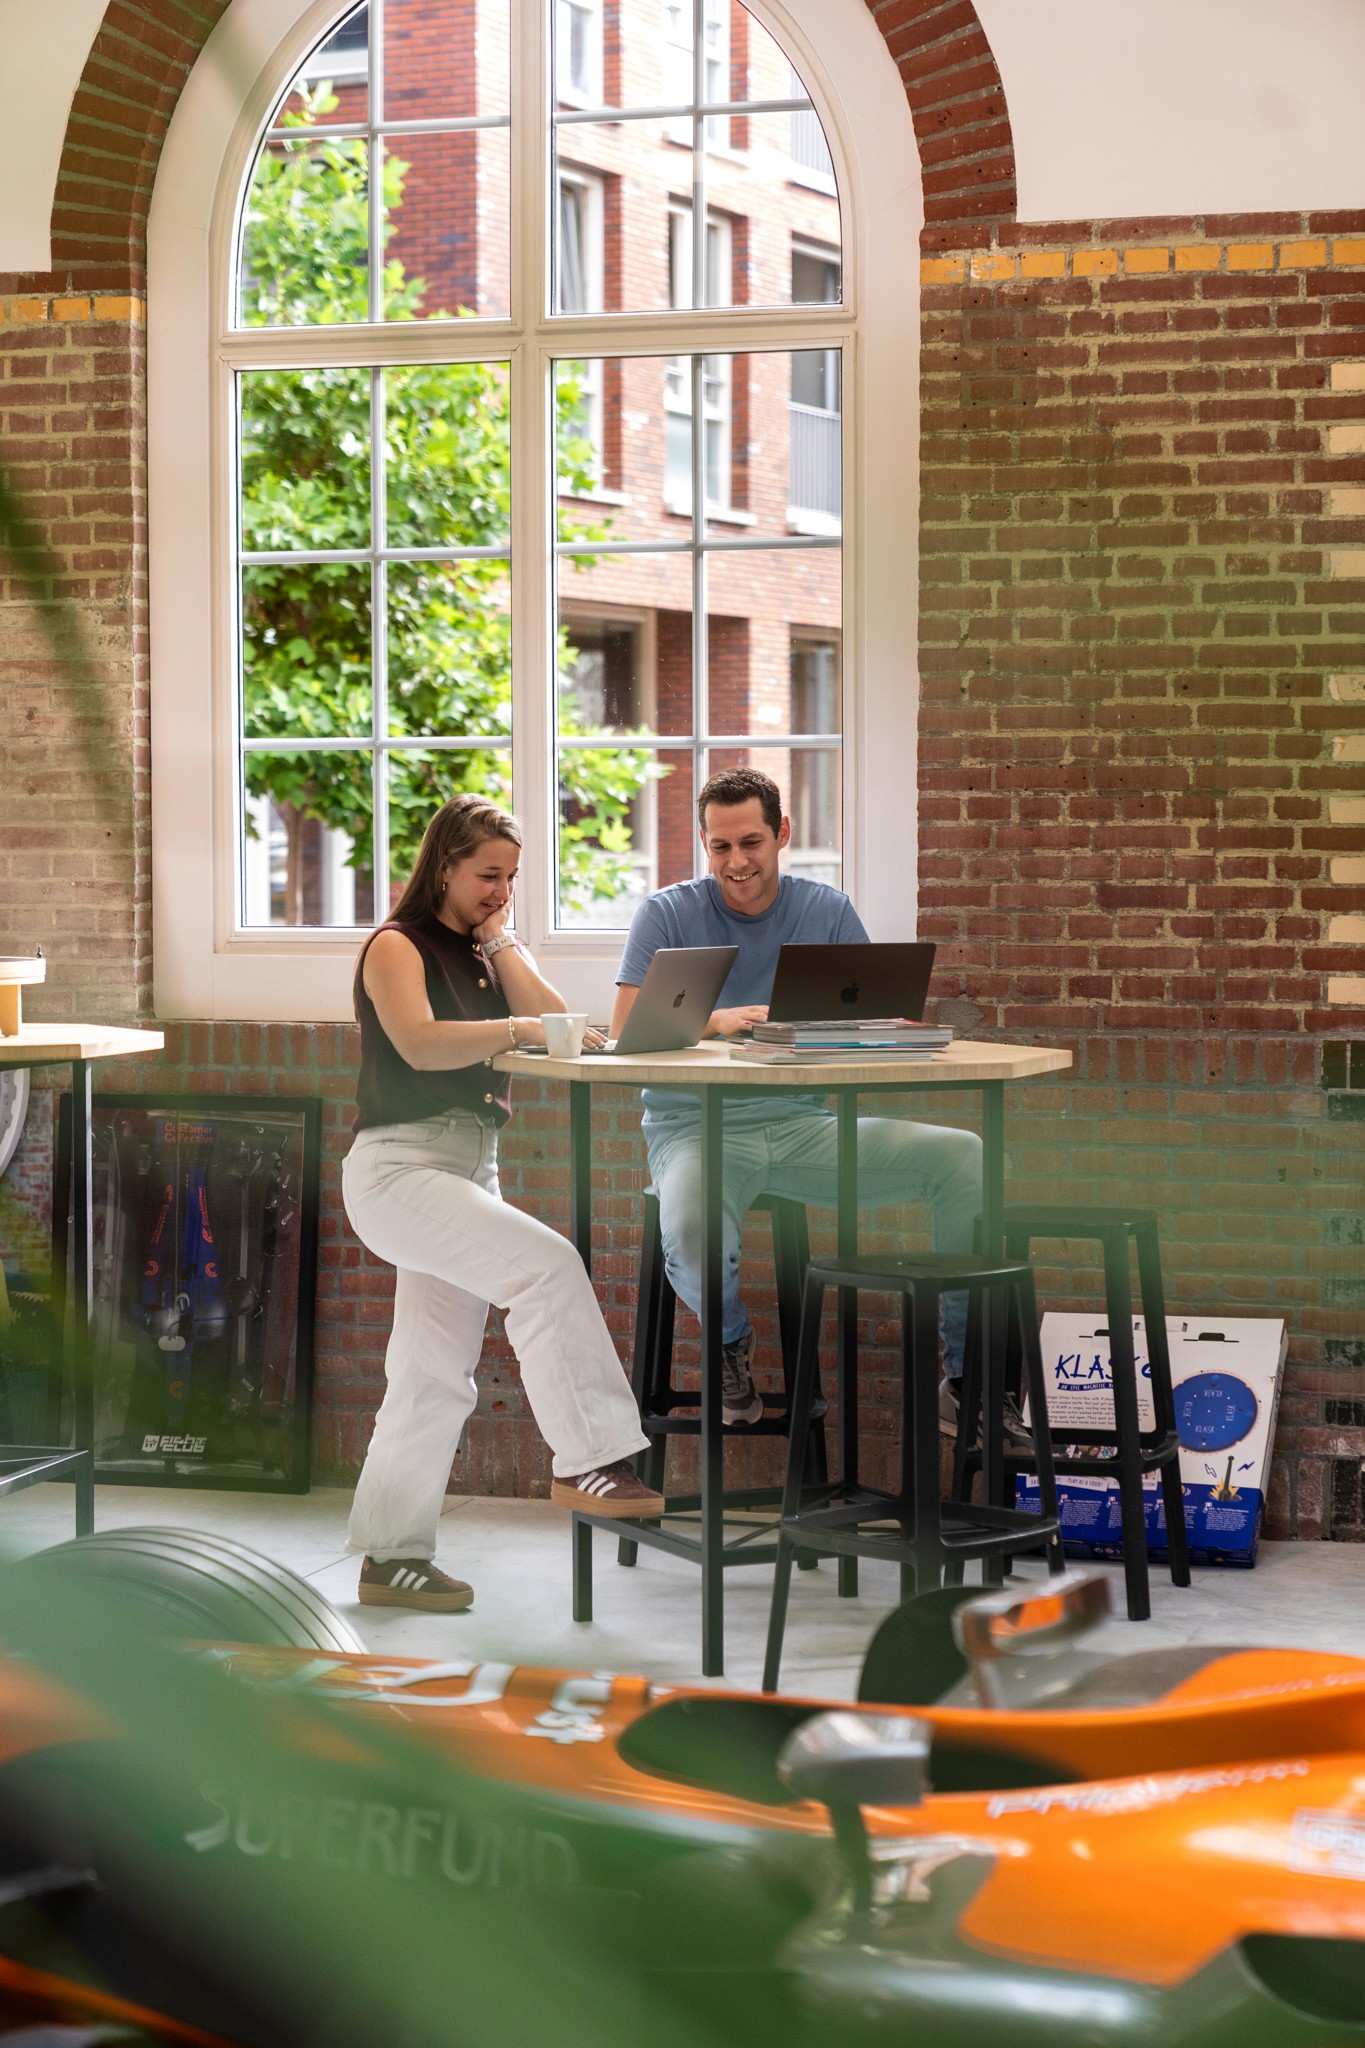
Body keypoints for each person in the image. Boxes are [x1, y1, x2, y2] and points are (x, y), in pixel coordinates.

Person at [343, 793, 661, 1613]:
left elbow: (559, 1025)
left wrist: (503, 941)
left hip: (468, 1169)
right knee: (548, 1267)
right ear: (442, 865)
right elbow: (418, 1042)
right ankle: (588, 1455)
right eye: (487, 875)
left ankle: (390, 1556)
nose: (500, 889)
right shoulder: (394, 946)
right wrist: (512, 1028)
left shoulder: (483, 952)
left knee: (430, 1375)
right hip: (398, 1171)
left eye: (512, 877)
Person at [611, 767, 983, 1434]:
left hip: (804, 1126)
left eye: (750, 842)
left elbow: (869, 1026)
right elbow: (624, 1032)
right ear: (703, 844)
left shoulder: (826, 912)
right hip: (696, 1130)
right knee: (693, 1230)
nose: (737, 862)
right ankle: (728, 1347)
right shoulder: (666, 914)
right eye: (719, 847)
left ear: (781, 833)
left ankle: (962, 1378)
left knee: (962, 1158)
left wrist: (871, 1032)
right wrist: (718, 1021)